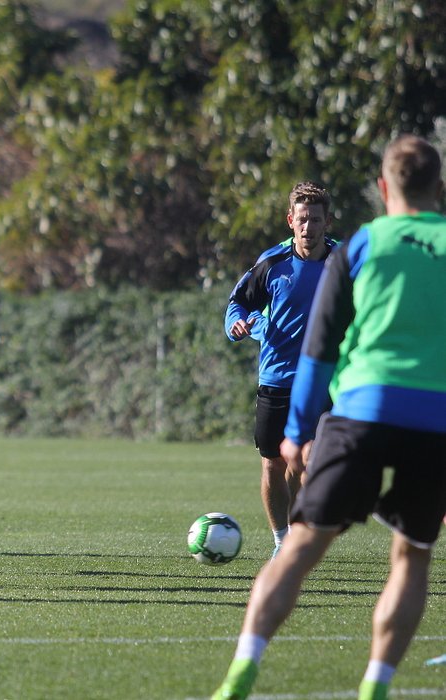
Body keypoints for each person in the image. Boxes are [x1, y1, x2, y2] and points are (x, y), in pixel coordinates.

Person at [212, 134, 446, 700]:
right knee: (411, 557)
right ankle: (376, 684)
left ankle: (244, 667)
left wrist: (298, 430)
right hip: (433, 418)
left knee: (301, 547)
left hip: (360, 407)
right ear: (439, 189)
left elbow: (318, 348)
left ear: (385, 189)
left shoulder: (360, 245)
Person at [224, 181, 336, 558]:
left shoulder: (343, 264)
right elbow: (238, 303)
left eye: (315, 220)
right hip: (276, 377)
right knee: (273, 463)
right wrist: (237, 326)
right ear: (291, 221)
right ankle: (280, 541)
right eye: (302, 219)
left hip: (324, 378)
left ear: (327, 222)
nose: (309, 227)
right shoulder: (272, 263)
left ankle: (299, 536)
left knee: (309, 459)